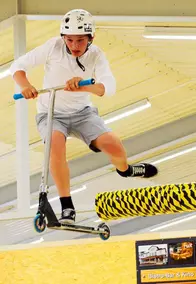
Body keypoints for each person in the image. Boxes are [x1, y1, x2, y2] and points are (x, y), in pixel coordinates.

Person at [10, 9, 158, 224]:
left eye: (80, 40)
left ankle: (126, 171)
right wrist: (25, 86)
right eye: (69, 40)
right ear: (63, 38)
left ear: (91, 38)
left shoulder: (96, 55)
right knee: (55, 144)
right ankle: (67, 206)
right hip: (50, 112)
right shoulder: (53, 47)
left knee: (113, 144)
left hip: (82, 113)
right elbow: (18, 67)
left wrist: (82, 88)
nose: (74, 46)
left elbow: (108, 87)